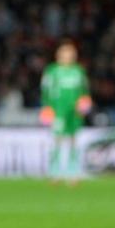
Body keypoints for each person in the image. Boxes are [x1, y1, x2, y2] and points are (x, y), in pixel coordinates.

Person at [39, 40, 92, 185]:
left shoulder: (78, 71)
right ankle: (54, 172)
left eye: (71, 52)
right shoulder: (52, 71)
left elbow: (84, 91)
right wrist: (46, 107)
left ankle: (73, 172)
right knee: (57, 139)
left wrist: (85, 104)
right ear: (58, 54)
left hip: (74, 111)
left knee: (74, 139)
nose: (69, 55)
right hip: (58, 110)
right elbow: (45, 91)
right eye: (66, 52)